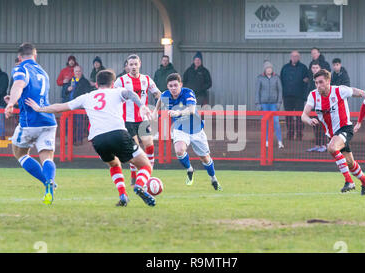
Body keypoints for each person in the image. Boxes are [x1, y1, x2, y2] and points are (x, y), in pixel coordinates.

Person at [25, 69, 156, 207]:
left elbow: (60, 107)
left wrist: (40, 108)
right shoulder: (117, 91)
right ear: (113, 83)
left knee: (114, 164)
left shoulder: (87, 96)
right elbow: (130, 94)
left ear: (97, 84)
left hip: (97, 139)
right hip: (117, 133)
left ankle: (123, 194)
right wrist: (142, 106)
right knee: (145, 165)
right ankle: (139, 186)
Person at [302, 69, 365, 195]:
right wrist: (309, 120)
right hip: (332, 134)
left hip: (345, 128)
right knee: (350, 163)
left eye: (321, 82)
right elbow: (304, 115)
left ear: (328, 81)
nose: (318, 86)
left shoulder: (340, 90)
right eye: (316, 83)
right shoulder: (313, 95)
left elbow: (364, 94)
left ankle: (349, 182)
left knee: (332, 147)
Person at [5, 43, 58, 205]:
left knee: (20, 153)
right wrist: (16, 100)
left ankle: (46, 182)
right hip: (48, 120)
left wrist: (11, 103)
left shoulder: (21, 68)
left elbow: (19, 85)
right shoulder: (43, 72)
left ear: (20, 57)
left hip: (30, 122)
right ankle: (50, 180)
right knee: (47, 157)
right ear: (35, 56)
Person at [153, 73, 222, 191]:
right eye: (170, 86)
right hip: (180, 128)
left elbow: (191, 109)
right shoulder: (166, 94)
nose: (173, 88)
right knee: (179, 150)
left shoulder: (188, 92)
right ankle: (190, 169)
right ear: (168, 87)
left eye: (175, 85)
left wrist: (178, 113)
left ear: (181, 85)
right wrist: (155, 111)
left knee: (204, 158)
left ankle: (213, 178)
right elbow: (161, 98)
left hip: (196, 129)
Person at [114, 54, 161, 186]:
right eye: (131, 64)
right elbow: (112, 96)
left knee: (149, 146)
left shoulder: (146, 79)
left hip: (142, 119)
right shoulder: (121, 81)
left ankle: (148, 174)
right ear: (127, 66)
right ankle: (134, 175)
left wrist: (156, 110)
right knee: (135, 149)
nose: (134, 67)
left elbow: (158, 94)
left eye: (136, 64)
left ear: (140, 64)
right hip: (127, 120)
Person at [280, 50, 309, 141]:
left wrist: (304, 96)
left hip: (299, 97)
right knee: (288, 116)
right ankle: (290, 134)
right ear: (290, 57)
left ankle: (299, 134)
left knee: (300, 116)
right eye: (293, 56)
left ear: (299, 57)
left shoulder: (303, 68)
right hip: (287, 96)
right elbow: (281, 81)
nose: (294, 58)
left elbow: (307, 83)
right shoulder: (285, 68)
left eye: (296, 56)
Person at [255, 61, 284, 149]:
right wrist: (258, 104)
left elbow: (280, 91)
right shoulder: (260, 78)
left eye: (270, 68)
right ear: (265, 69)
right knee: (266, 123)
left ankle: (279, 141)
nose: (269, 70)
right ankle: (266, 141)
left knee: (276, 122)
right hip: (264, 104)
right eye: (267, 68)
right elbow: (257, 92)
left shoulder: (276, 78)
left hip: (274, 104)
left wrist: (279, 103)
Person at [66, 65, 94, 145]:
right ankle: (71, 140)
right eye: (76, 71)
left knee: (79, 123)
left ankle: (79, 140)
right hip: (70, 106)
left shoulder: (85, 81)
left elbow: (88, 93)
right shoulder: (70, 81)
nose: (77, 73)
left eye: (79, 71)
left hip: (79, 106)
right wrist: (68, 89)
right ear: (74, 72)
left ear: (81, 72)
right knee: (70, 123)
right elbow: (64, 92)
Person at [306, 61, 326, 152]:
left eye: (316, 68)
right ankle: (317, 145)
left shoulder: (324, 79)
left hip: (323, 107)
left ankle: (324, 145)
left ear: (320, 68)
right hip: (313, 107)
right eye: (313, 68)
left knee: (323, 126)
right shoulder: (310, 79)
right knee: (315, 125)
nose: (315, 69)